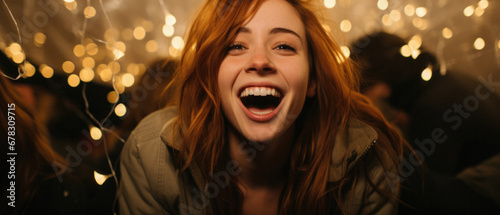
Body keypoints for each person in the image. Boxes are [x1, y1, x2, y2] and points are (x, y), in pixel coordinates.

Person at [119, 0, 410, 214]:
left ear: (313, 81)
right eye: (236, 46)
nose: (260, 61)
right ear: (212, 77)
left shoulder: (369, 166)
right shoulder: (151, 152)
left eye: (284, 46)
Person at [351, 32, 500, 214]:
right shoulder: (447, 82)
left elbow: (430, 198)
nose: (364, 105)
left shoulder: (432, 110)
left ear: (382, 87)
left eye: (362, 94)